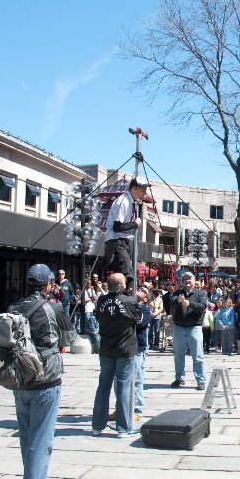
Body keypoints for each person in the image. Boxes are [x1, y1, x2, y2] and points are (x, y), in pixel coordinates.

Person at [10, 264, 70, 479]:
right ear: (47, 285)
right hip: (46, 378)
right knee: (41, 438)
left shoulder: (14, 308)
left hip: (20, 378)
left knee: (27, 436)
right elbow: (67, 339)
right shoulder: (53, 308)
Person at [92, 273, 142, 438]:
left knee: (103, 386)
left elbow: (98, 317)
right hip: (125, 349)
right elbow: (139, 319)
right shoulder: (129, 301)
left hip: (106, 348)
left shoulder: (101, 301)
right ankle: (123, 428)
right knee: (123, 387)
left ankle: (97, 426)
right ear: (123, 286)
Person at [104, 178, 149, 279]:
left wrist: (140, 205)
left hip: (127, 240)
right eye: (143, 190)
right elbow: (117, 227)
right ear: (134, 188)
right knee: (127, 272)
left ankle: (124, 292)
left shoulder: (133, 202)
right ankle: (127, 292)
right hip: (117, 240)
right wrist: (134, 224)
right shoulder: (123, 202)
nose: (145, 193)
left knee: (125, 272)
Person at [169, 272, 207, 389]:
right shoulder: (177, 293)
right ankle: (179, 378)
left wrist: (189, 303)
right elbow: (171, 304)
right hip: (179, 327)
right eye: (184, 279)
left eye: (189, 278)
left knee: (198, 356)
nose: (187, 281)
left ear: (194, 280)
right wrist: (178, 301)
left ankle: (200, 380)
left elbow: (203, 306)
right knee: (179, 355)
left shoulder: (201, 293)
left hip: (194, 327)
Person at [133, 287, 151, 422]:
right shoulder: (126, 305)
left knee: (137, 380)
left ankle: (136, 410)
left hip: (138, 347)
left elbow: (139, 324)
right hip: (124, 348)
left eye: (142, 290)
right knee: (120, 382)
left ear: (146, 298)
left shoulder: (144, 309)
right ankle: (121, 407)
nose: (138, 289)